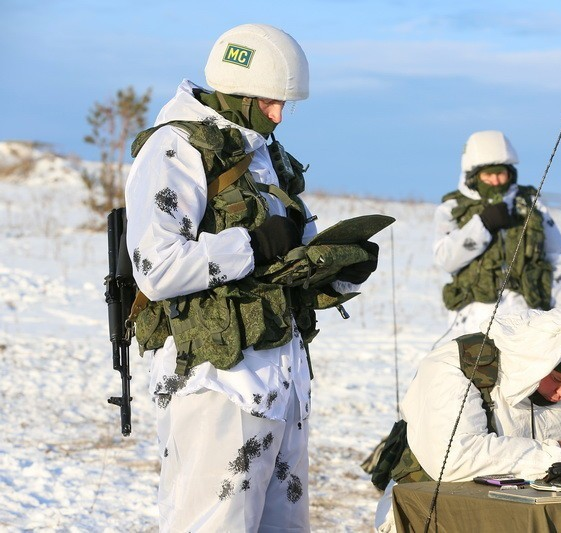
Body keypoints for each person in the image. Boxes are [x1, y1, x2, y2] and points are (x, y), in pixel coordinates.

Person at [125, 24, 378, 531]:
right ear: (235, 90)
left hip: (281, 382)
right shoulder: (176, 149)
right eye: (269, 102)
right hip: (216, 383)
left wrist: (337, 271)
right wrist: (254, 245)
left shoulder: (266, 156)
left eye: (285, 103)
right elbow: (156, 267)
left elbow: (291, 254)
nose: (279, 115)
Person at [374, 308, 561, 532]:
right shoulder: (459, 365)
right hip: (435, 511)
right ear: (537, 363)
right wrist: (552, 455)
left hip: (535, 515)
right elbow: (453, 457)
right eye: (558, 380)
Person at [433, 130, 561, 343]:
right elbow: (446, 259)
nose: (496, 180)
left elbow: (559, 258)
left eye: (501, 173)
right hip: (473, 320)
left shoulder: (530, 204)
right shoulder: (452, 208)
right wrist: (482, 225)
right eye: (488, 174)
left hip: (527, 316)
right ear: (473, 176)